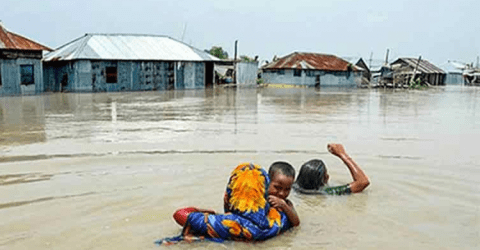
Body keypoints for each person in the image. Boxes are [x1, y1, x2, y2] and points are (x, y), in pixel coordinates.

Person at [157, 162, 296, 245]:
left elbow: (180, 214)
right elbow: (295, 222)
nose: (282, 194)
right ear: (263, 189)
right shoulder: (280, 217)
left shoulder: (227, 223)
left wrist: (206, 211)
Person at [293, 143, 370, 195]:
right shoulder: (326, 192)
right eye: (326, 175)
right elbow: (363, 182)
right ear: (324, 180)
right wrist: (342, 154)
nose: (328, 176)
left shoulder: (291, 187)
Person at [266, 161, 300, 227]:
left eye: (287, 189)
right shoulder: (261, 199)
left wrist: (284, 206)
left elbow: (296, 223)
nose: (282, 193)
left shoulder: (286, 203)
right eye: (277, 187)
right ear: (268, 182)